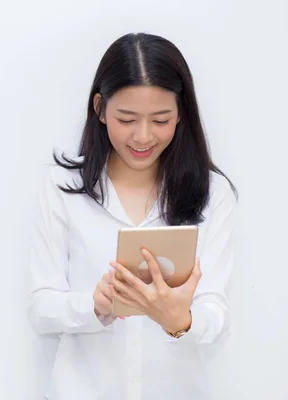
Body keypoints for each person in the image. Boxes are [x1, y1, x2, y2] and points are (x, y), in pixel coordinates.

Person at [27, 32, 238, 400]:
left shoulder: (212, 193)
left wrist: (180, 320)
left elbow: (215, 310)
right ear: (100, 109)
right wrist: (93, 304)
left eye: (161, 120)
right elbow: (41, 306)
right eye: (126, 119)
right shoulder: (63, 186)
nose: (143, 137)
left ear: (181, 115)